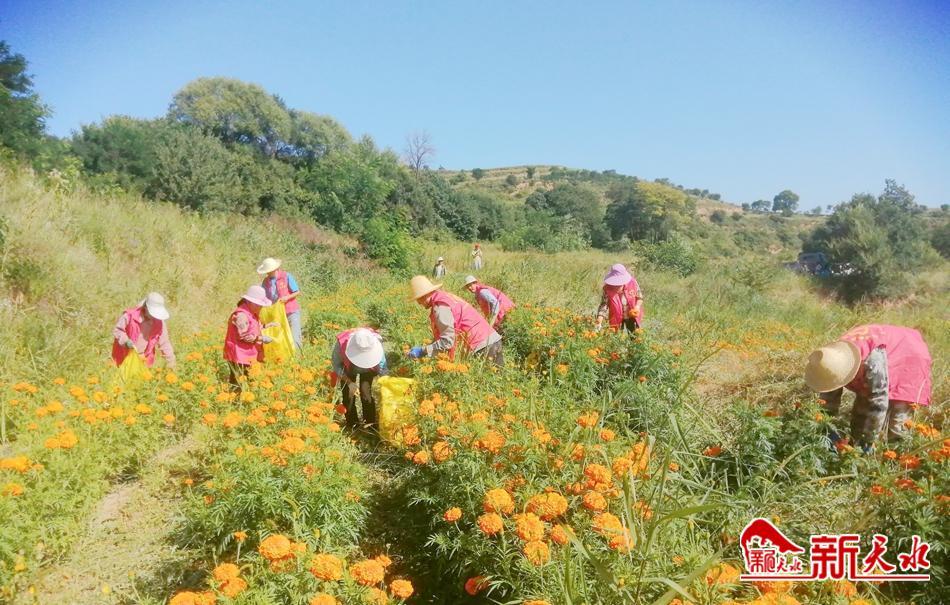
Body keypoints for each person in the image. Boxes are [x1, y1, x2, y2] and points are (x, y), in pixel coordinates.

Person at [804, 324, 932, 449]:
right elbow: (827, 403)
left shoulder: (871, 360)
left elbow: (878, 402)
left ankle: (895, 457)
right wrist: (826, 430)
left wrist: (868, 441)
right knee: (860, 419)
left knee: (897, 426)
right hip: (878, 357)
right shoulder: (830, 359)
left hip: (909, 356)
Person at [407, 275, 503, 366]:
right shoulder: (446, 297)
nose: (419, 303)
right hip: (490, 339)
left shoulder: (440, 307)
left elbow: (447, 342)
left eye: (418, 299)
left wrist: (423, 351)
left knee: (491, 375)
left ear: (424, 295)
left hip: (483, 346)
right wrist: (429, 347)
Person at [331, 328, 388, 430]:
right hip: (348, 367)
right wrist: (349, 382)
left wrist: (386, 382)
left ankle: (370, 424)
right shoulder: (341, 344)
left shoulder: (375, 344)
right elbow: (337, 366)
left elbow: (382, 366)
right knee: (348, 395)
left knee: (366, 392)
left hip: (368, 368)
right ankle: (352, 424)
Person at [223, 285, 277, 388]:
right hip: (239, 355)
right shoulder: (241, 316)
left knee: (249, 381)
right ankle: (235, 396)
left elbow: (253, 327)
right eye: (259, 305)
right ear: (251, 302)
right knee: (239, 382)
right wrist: (262, 338)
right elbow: (245, 335)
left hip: (247, 354)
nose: (261, 307)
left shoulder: (251, 312)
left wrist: (267, 326)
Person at [112, 292, 176, 368]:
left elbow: (165, 343)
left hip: (144, 359)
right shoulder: (129, 316)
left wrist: (171, 362)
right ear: (145, 308)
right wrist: (126, 341)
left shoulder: (159, 323)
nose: (154, 317)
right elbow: (118, 331)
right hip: (124, 356)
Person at [258, 257, 303, 351]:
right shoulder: (266, 282)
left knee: (295, 336)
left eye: (269, 271)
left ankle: (298, 356)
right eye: (267, 271)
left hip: (291, 311)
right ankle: (284, 357)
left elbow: (297, 292)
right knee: (282, 336)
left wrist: (287, 298)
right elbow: (264, 297)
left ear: (275, 269)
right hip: (276, 313)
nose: (267, 273)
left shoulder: (286, 276)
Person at [595, 263, 644, 333]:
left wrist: (637, 306)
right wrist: (599, 321)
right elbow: (604, 305)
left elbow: (639, 297)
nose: (616, 286)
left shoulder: (633, 283)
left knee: (634, 335)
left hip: (632, 315)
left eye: (619, 285)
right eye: (614, 284)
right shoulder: (607, 288)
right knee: (615, 337)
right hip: (616, 317)